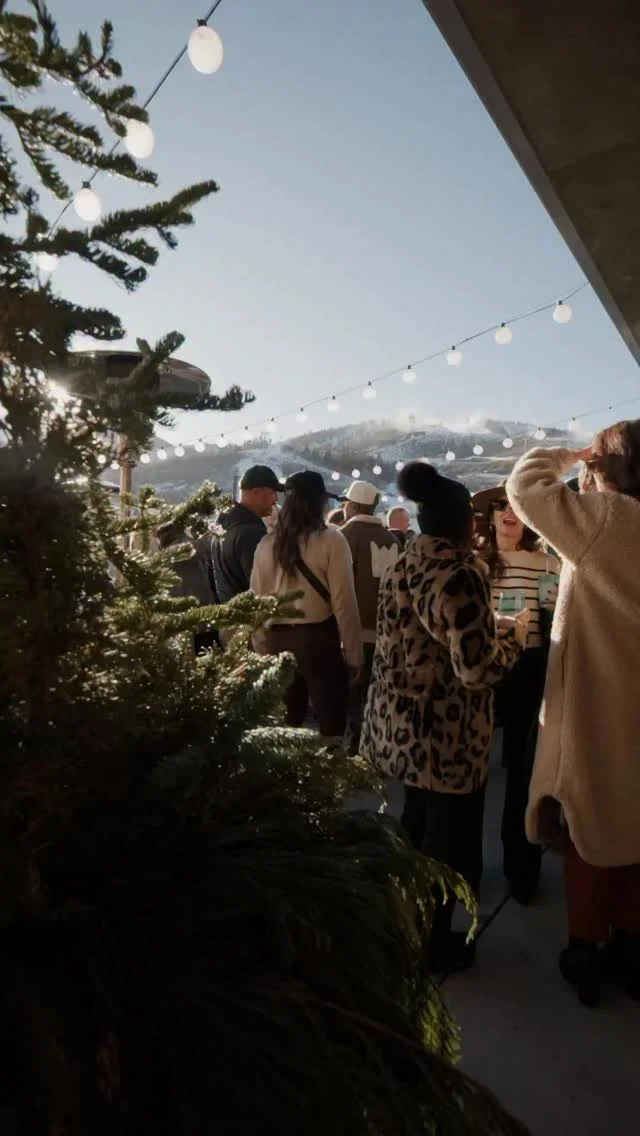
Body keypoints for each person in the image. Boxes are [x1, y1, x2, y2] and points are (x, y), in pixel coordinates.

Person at [361, 462, 526, 970]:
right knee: (450, 842)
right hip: (446, 732)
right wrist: (514, 639)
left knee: (414, 826)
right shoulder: (459, 572)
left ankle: (406, 925)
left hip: (401, 722)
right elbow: (476, 668)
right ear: (462, 523)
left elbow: (421, 633)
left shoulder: (404, 562)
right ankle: (434, 942)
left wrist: (487, 625)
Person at [506, 420, 640, 1008]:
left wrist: (570, 453)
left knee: (587, 831)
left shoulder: (605, 518)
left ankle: (585, 951)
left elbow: (524, 486)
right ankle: (632, 951)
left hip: (595, 707)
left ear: (606, 467)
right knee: (635, 833)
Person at [473, 487, 559, 905]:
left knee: (523, 778)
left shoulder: (547, 563)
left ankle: (521, 871)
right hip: (482, 670)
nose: (509, 513)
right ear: (489, 516)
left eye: (516, 507)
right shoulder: (474, 562)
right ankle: (464, 869)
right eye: (501, 506)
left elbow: (553, 618)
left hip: (528, 671)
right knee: (471, 775)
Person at [250, 471, 363, 737]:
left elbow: (256, 603)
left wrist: (261, 647)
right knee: (331, 727)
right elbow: (344, 602)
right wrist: (354, 654)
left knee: (286, 730)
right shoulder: (332, 540)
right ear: (319, 502)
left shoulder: (266, 544)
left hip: (277, 640)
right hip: (319, 641)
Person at [341, 480, 400, 750]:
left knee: (353, 694)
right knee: (378, 694)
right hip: (387, 633)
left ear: (353, 506)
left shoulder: (344, 537)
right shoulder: (392, 540)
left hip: (353, 631)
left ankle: (355, 747)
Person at [212, 465, 283, 603]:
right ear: (256, 492)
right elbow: (262, 588)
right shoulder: (251, 533)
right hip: (250, 613)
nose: (275, 500)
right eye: (273, 493)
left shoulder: (223, 526)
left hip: (230, 611)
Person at [156, 520, 218, 654]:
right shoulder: (184, 547)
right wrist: (201, 531)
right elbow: (209, 547)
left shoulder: (164, 551)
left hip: (181, 619)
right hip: (199, 617)